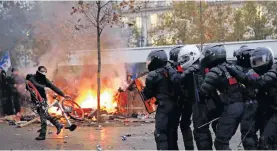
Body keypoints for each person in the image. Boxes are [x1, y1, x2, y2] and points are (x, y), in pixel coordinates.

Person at [227, 47, 277, 149]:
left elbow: (261, 82)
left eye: (260, 61)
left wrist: (237, 73)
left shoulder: (274, 69)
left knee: (266, 142)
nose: (257, 64)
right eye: (255, 61)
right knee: (248, 133)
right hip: (266, 111)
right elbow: (250, 83)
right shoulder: (254, 73)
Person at [199, 44, 245, 150]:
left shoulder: (215, 71)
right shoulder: (233, 67)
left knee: (221, 143)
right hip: (242, 106)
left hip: (231, 108)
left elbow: (203, 91)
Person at [141, 49, 181, 150]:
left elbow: (148, 94)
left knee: (160, 134)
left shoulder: (153, 75)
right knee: (172, 134)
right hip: (175, 108)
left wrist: (143, 91)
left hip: (163, 108)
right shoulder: (172, 70)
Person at [27, 66, 71, 140]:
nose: (43, 76)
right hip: (35, 99)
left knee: (43, 116)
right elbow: (35, 85)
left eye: (44, 74)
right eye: (41, 74)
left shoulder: (45, 79)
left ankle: (42, 134)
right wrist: (44, 87)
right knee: (45, 115)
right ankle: (58, 124)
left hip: (42, 99)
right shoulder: (32, 79)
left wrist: (63, 94)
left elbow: (53, 87)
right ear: (38, 73)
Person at [167, 46, 194, 150]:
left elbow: (176, 80)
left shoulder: (179, 69)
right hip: (185, 101)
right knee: (183, 125)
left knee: (174, 126)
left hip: (179, 101)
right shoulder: (188, 67)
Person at [233, 46, 259, 150]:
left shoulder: (249, 73)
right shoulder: (255, 70)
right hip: (253, 104)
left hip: (250, 105)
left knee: (248, 134)